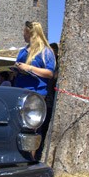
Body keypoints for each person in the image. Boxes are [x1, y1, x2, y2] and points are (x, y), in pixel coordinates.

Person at [14, 21, 56, 160]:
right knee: (18, 126)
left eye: (24, 32)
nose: (22, 34)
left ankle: (31, 158)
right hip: (20, 92)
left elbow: (50, 73)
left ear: (30, 33)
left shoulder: (45, 52)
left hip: (36, 94)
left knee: (32, 128)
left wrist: (29, 68)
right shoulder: (22, 51)